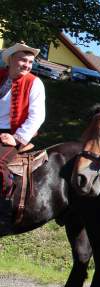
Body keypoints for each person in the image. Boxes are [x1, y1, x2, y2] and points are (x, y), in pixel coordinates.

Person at [0, 42, 45, 199]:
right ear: (11, 59)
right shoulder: (0, 75)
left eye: (30, 62)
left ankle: (6, 203)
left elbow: (37, 115)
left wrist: (16, 137)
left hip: (13, 133)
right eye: (22, 60)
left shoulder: (34, 83)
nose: (27, 65)